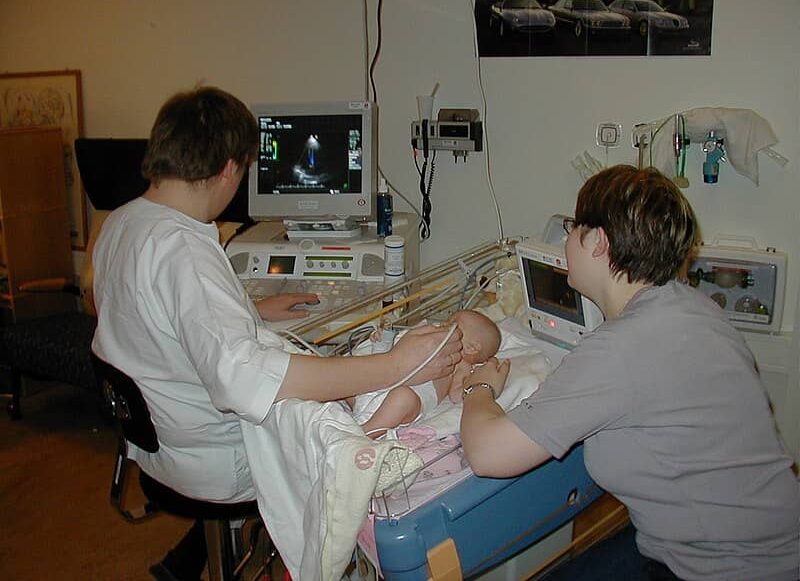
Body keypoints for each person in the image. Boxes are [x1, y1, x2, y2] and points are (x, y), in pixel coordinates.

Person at [90, 86, 463, 581]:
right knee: (349, 430)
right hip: (215, 459)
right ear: (229, 168)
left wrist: (247, 312)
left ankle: (193, 554)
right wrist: (398, 365)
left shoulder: (123, 222)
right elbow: (247, 380)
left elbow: (149, 322)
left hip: (159, 443)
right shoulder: (185, 250)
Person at [459, 165, 800, 581]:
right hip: (766, 542)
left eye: (572, 226)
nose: (567, 237)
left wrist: (478, 386)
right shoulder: (693, 307)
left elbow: (487, 454)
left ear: (597, 241)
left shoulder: (621, 349)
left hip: (725, 568)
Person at [349, 309, 502, 437]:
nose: (444, 325)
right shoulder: (429, 344)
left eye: (453, 325)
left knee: (403, 397)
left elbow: (456, 396)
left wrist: (475, 381)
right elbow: (393, 361)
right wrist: (383, 344)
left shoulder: (462, 366)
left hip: (409, 400)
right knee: (356, 372)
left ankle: (367, 431)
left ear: (472, 348)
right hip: (379, 386)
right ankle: (350, 402)